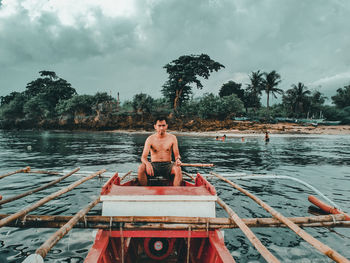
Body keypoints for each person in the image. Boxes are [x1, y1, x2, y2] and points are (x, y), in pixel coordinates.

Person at [137, 116, 182, 186]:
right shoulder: (150, 139)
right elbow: (143, 157)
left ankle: (175, 192)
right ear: (155, 126)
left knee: (178, 169)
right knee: (141, 168)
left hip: (168, 165)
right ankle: (144, 191)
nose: (161, 128)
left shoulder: (173, 138)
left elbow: (177, 155)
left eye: (163, 125)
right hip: (154, 166)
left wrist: (178, 160)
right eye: (159, 126)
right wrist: (148, 164)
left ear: (166, 126)